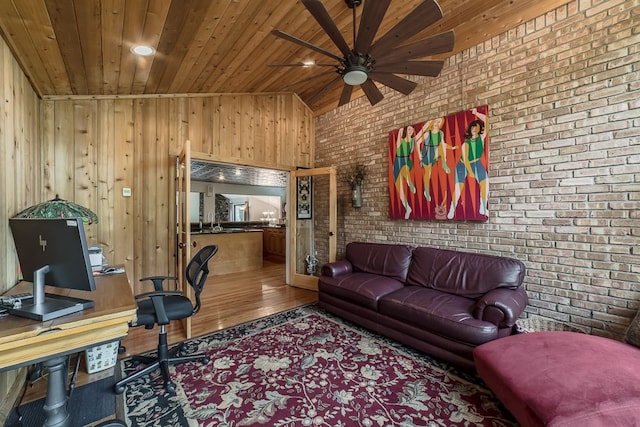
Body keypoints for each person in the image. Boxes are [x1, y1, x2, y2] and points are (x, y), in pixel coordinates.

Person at [448, 108, 488, 219]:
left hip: (476, 163)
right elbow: (465, 159)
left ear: (480, 129)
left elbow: (487, 120)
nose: (474, 129)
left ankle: (483, 207)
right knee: (458, 187)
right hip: (463, 165)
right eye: (472, 127)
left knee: (486, 183)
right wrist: (470, 172)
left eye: (477, 127)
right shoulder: (466, 143)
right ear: (470, 129)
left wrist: (476, 113)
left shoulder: (481, 138)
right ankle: (452, 208)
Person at [417, 116, 456, 203]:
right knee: (428, 173)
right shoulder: (428, 133)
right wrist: (420, 157)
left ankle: (444, 164)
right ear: (432, 123)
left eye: (439, 122)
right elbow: (417, 143)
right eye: (435, 122)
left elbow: (442, 144)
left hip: (435, 153)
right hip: (426, 154)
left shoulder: (441, 133)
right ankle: (426, 191)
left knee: (441, 148)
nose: (437, 124)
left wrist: (452, 148)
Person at [393, 125, 417, 219]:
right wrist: (400, 131)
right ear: (405, 131)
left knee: (404, 170)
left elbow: (420, 134)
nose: (411, 131)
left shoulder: (413, 141)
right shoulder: (401, 141)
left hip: (406, 161)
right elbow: (398, 141)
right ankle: (408, 208)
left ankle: (409, 181)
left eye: (412, 129)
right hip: (397, 163)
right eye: (409, 129)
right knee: (400, 190)